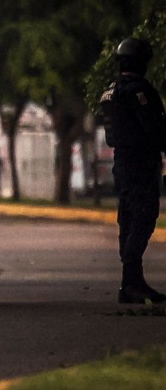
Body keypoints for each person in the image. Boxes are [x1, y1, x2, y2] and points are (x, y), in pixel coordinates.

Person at [100, 38, 166, 305]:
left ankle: (132, 282)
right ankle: (131, 280)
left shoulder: (110, 91)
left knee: (127, 218)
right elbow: (154, 128)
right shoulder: (139, 91)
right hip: (140, 162)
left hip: (122, 163)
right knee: (142, 216)